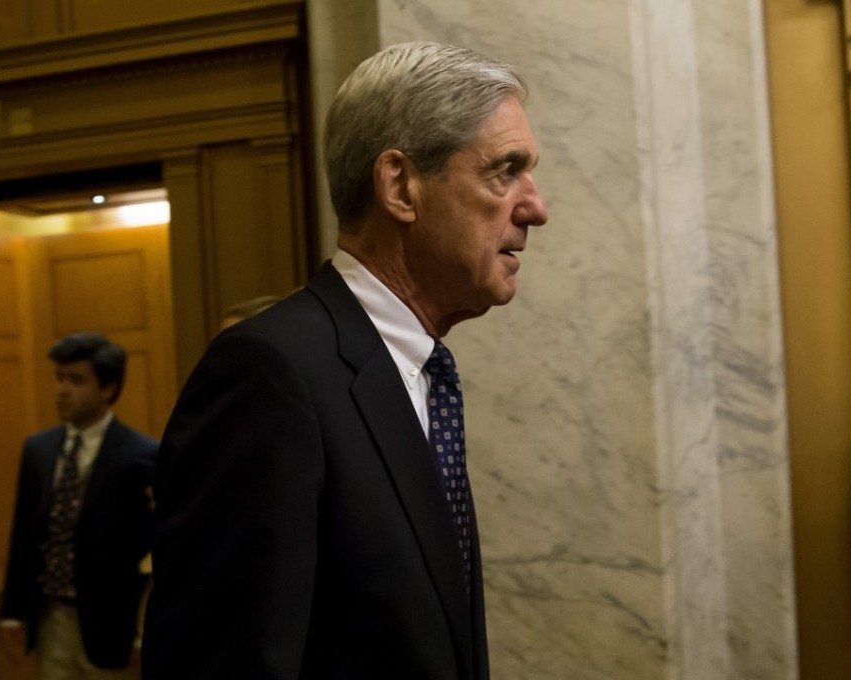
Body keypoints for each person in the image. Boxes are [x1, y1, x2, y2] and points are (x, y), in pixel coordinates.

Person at [142, 41, 548, 679]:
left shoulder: (420, 372)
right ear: (400, 186)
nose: (535, 207)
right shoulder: (269, 374)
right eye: (504, 170)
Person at [0, 332, 158, 679]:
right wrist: (13, 612)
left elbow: (152, 549)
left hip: (112, 623)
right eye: (59, 378)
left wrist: (144, 631)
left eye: (76, 380)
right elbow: (24, 531)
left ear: (108, 388)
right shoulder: (38, 450)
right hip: (52, 617)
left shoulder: (142, 454)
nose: (62, 390)